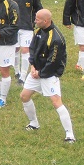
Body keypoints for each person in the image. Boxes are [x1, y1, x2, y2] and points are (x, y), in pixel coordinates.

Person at [20, 9, 75, 143]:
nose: (35, 21)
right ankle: (34, 123)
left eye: (37, 19)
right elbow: (32, 49)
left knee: (56, 102)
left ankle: (70, 135)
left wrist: (41, 73)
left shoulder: (56, 39)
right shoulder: (38, 31)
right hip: (36, 72)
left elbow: (53, 61)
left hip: (49, 75)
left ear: (46, 21)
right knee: (24, 96)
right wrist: (33, 67)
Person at [5, 0, 43, 85]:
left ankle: (22, 77)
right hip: (13, 26)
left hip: (27, 26)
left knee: (25, 50)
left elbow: (38, 6)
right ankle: (16, 71)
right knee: (15, 49)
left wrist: (38, 21)